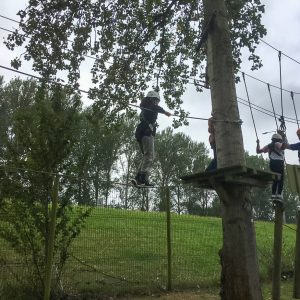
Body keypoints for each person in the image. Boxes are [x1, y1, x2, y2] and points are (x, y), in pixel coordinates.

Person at [132, 90, 171, 187]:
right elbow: (155, 107)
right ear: (152, 99)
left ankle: (138, 177)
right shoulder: (151, 107)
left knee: (147, 155)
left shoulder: (145, 107)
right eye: (156, 100)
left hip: (141, 133)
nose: (157, 102)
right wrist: (165, 112)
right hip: (146, 133)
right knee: (150, 156)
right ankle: (142, 178)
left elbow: (154, 107)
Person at [256, 130, 288, 201]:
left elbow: (258, 151)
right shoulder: (277, 143)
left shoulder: (268, 146)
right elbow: (283, 147)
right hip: (279, 163)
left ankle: (273, 195)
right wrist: (284, 137)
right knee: (281, 179)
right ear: (279, 139)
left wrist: (258, 143)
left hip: (272, 164)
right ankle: (279, 195)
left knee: (275, 179)